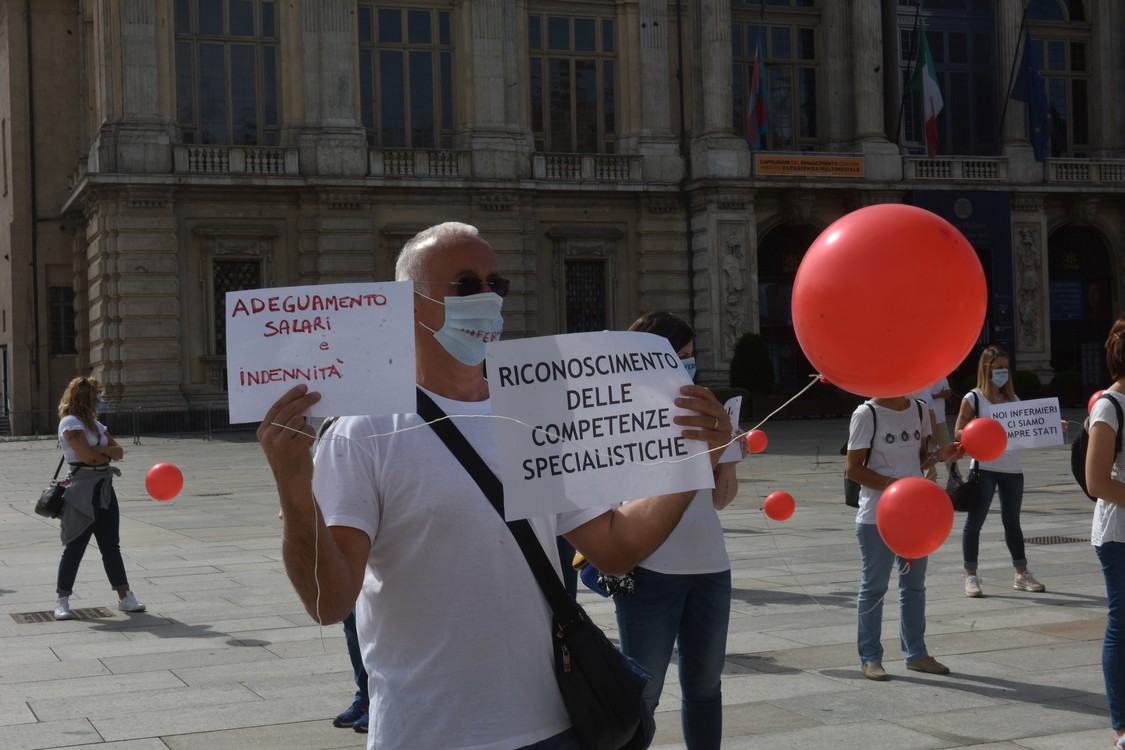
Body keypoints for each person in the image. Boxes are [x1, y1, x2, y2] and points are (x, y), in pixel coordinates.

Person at [256, 222, 732, 750]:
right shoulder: (363, 431)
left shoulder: (534, 413)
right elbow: (329, 601)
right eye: (465, 284)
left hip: (555, 725)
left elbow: (615, 548)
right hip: (429, 733)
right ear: (409, 304)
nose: (487, 297)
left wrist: (694, 462)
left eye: (495, 284)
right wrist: (295, 492)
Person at [612, 311, 740, 749]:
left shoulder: (707, 410)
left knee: (705, 686)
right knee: (642, 691)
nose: (688, 364)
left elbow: (720, 498)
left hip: (711, 566)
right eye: (678, 354)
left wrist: (727, 454)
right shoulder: (619, 414)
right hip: (650, 568)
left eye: (690, 355)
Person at [845, 393, 960, 681]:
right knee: (874, 587)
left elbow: (918, 461)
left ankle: (916, 654)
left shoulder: (919, 409)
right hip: (876, 516)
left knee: (914, 586)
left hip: (915, 514)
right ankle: (870, 657)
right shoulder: (866, 414)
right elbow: (853, 469)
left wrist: (939, 456)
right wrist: (893, 486)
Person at [954, 345, 1046, 598]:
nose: (1003, 373)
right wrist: (980, 430)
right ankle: (971, 576)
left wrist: (1049, 426)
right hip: (985, 468)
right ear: (986, 370)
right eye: (998, 368)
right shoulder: (974, 398)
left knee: (1012, 522)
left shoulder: (1014, 400)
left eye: (1006, 368)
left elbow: (1026, 430)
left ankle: (1022, 573)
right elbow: (958, 431)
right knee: (975, 523)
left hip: (1012, 468)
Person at [53, 376, 145, 620]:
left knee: (111, 545)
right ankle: (62, 600)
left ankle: (125, 596)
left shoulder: (95, 424)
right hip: (82, 491)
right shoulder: (70, 423)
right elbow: (88, 457)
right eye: (97, 395)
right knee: (75, 546)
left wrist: (101, 451)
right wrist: (105, 453)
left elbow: (119, 452)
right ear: (86, 397)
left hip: (104, 488)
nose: (99, 399)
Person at [1084, 317, 1125, 750]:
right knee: (1123, 623)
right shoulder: (1110, 406)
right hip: (1120, 536)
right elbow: (1097, 481)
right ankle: (1122, 725)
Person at [926, 376, 960, 482]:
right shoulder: (921, 375)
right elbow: (920, 397)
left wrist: (946, 394)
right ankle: (930, 481)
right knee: (928, 451)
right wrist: (938, 395)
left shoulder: (941, 375)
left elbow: (947, 391)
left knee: (948, 448)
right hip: (925, 421)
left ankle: (955, 477)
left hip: (940, 419)